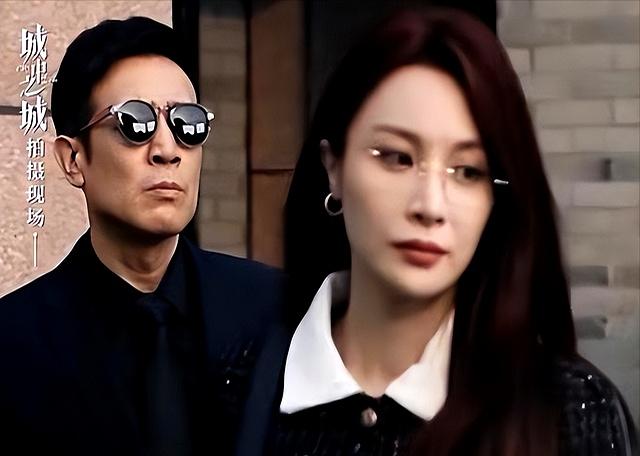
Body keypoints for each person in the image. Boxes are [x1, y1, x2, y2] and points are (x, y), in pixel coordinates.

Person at [236, 8, 638, 456]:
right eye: (398, 158)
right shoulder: (234, 389)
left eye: (467, 171)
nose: (430, 206)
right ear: (334, 168)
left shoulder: (568, 411)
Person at [0, 17, 283, 456]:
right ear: (73, 159)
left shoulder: (274, 309)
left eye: (188, 124)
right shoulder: (14, 342)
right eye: (135, 122)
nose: (167, 150)